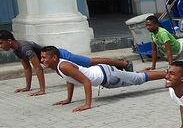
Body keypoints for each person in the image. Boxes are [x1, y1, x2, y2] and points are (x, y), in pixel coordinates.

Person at [0, 30, 133, 96]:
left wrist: (42, 90)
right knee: (89, 63)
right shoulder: (17, 50)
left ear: (9, 41)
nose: (1, 46)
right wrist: (27, 87)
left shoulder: (24, 47)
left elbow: (38, 69)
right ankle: (122, 64)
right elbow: (27, 69)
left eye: (1, 43)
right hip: (54, 58)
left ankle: (124, 64)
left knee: (90, 62)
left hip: (61, 55)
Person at [39, 46, 166, 112]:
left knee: (139, 78)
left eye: (44, 58)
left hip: (108, 76)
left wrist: (87, 104)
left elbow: (86, 81)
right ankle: (148, 72)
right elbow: (70, 80)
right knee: (135, 76)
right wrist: (68, 99)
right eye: (42, 57)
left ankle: (168, 74)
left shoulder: (63, 65)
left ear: (54, 58)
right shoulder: (58, 67)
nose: (42, 60)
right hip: (104, 74)